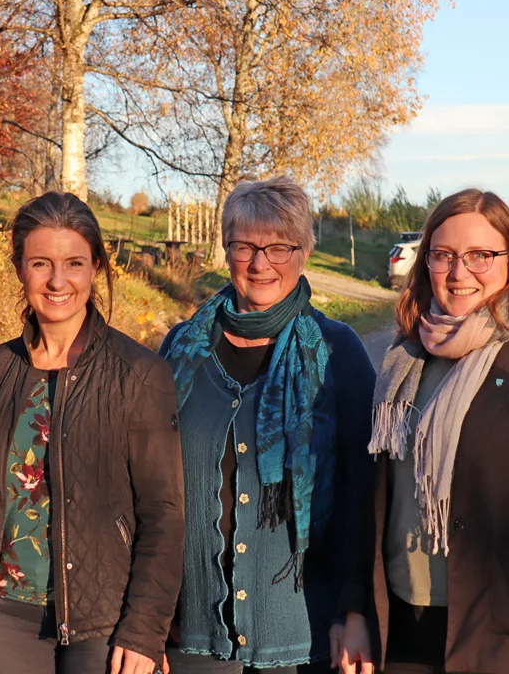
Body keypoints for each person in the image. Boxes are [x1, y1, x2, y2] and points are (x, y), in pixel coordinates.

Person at [334, 189, 509, 674]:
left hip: (506, 636)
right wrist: (357, 612)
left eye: (481, 255)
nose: (460, 273)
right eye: (443, 255)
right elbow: (369, 499)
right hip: (402, 627)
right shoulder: (405, 360)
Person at [0, 192, 184, 674]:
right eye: (41, 263)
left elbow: (164, 513)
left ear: (95, 265)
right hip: (4, 615)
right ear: (19, 269)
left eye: (74, 262)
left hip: (106, 620)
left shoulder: (138, 374)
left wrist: (144, 629)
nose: (58, 281)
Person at [159, 176, 377, 674]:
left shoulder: (337, 352)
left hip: (302, 633)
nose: (261, 264)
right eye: (245, 246)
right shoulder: (180, 350)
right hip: (190, 633)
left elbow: (360, 498)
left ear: (304, 253)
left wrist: (354, 607)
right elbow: (149, 487)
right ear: (226, 249)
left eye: (280, 247)